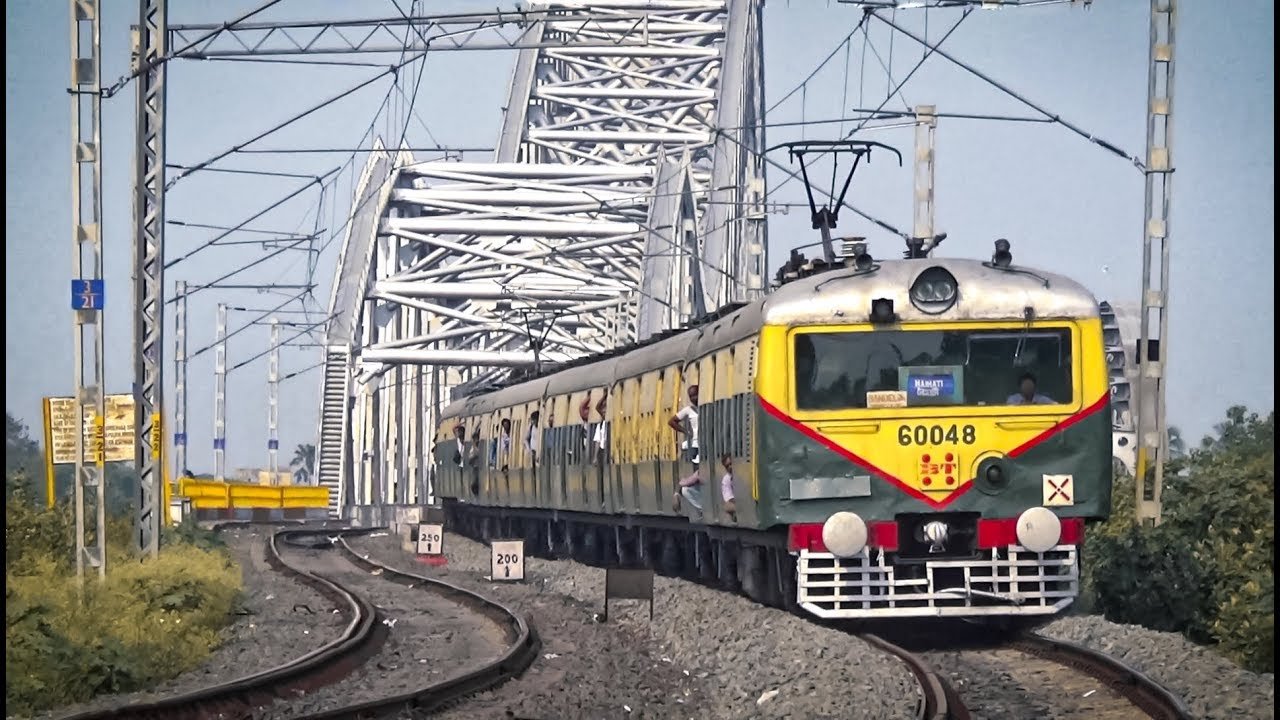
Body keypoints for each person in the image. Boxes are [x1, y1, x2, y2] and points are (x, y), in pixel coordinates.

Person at [669, 384, 700, 514]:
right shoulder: (688, 410)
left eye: (696, 394)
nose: (694, 397)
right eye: (691, 396)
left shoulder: (706, 407)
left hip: (706, 445)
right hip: (695, 446)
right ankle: (700, 508)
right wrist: (686, 432)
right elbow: (672, 421)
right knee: (696, 476)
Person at [720, 454, 736, 520]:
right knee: (728, 506)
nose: (730, 467)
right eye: (727, 466)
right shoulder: (726, 479)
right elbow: (729, 498)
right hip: (735, 503)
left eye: (731, 464)